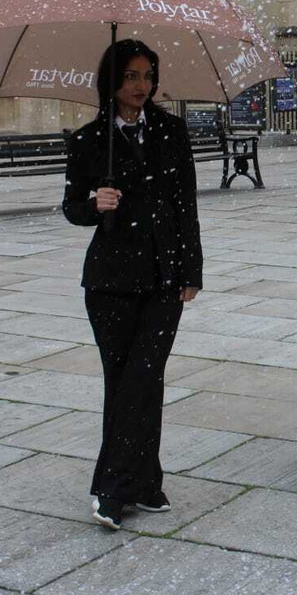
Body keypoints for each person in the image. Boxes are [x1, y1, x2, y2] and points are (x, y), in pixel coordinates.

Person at [62, 38, 202, 531]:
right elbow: (72, 208)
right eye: (130, 77)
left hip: (164, 277)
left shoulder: (172, 131)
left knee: (144, 377)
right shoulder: (88, 140)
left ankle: (112, 487)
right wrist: (94, 203)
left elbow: (186, 204)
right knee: (126, 382)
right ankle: (144, 480)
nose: (141, 86)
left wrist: (191, 272)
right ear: (112, 81)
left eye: (147, 76)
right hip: (110, 282)